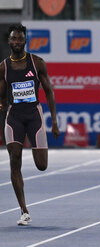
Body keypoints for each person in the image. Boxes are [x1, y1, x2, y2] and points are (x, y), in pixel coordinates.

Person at [0, 24, 60, 225]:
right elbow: (1, 97)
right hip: (14, 117)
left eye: (20, 39)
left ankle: (25, 209)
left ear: (25, 41)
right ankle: (24, 211)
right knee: (14, 160)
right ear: (9, 42)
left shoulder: (37, 63)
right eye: (13, 39)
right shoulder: (3, 67)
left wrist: (54, 121)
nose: (16, 42)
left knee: (41, 165)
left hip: (34, 115)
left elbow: (49, 91)